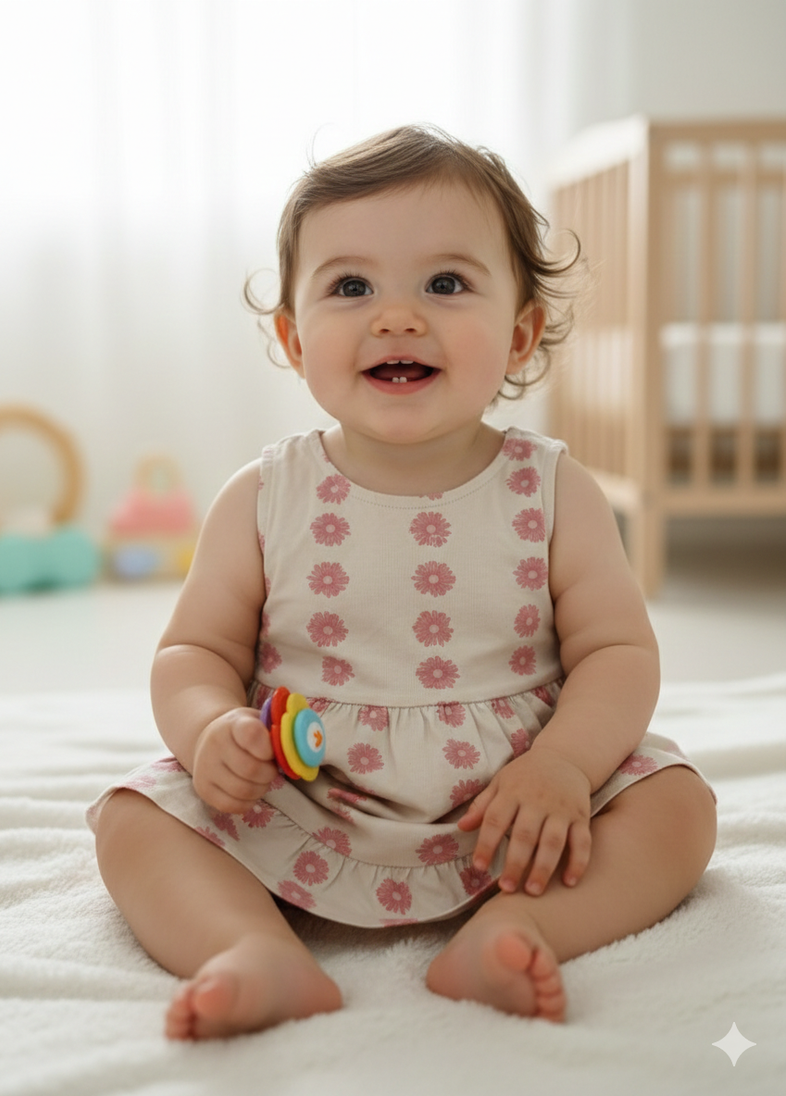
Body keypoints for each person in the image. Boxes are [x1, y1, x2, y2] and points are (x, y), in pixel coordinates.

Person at [89, 124, 717, 1040]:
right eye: (352, 287)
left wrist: (566, 766)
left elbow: (617, 650)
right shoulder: (265, 494)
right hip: (305, 791)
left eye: (446, 284)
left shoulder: (553, 488)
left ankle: (519, 926)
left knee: (678, 808)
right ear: (296, 340)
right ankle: (248, 946)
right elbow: (194, 650)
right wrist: (208, 728)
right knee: (134, 820)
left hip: (512, 803)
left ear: (520, 331)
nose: (397, 317)